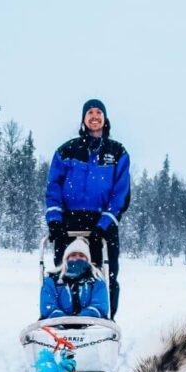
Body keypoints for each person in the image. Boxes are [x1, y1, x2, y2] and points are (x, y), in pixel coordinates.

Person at [45, 98, 130, 319]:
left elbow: (120, 193)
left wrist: (105, 224)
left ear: (105, 118)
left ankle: (103, 320)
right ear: (83, 118)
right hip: (69, 220)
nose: (94, 116)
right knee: (64, 272)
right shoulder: (67, 151)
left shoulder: (117, 153)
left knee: (106, 275)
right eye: (90, 112)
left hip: (102, 221)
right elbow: (54, 186)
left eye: (98, 113)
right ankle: (62, 319)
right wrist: (54, 220)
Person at [40, 238, 109, 320]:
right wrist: (62, 320)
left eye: (81, 255)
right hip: (56, 325)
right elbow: (47, 305)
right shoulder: (52, 280)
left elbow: (100, 305)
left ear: (87, 259)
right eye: (73, 255)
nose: (77, 258)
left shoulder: (96, 279)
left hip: (92, 325)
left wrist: (82, 319)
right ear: (66, 258)